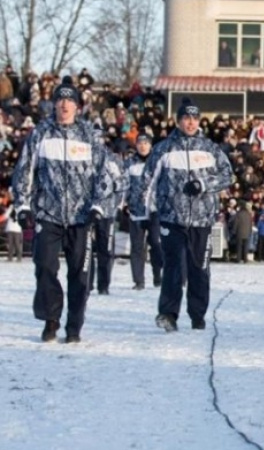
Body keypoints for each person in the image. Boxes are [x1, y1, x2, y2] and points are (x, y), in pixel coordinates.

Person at [12, 75, 116, 343]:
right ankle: (51, 319)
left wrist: (98, 207)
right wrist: (23, 205)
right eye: (60, 99)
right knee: (45, 267)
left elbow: (106, 174)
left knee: (80, 276)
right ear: (53, 104)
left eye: (70, 100)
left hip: (82, 218)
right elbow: (24, 170)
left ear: (78, 106)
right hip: (49, 214)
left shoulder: (90, 137)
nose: (65, 104)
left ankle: (74, 326)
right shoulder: (41, 133)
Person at [132, 97, 233, 332]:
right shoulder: (164, 148)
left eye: (194, 118)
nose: (190, 122)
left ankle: (198, 315)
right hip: (171, 218)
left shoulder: (209, 148)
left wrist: (202, 184)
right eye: (186, 118)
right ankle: (168, 314)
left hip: (202, 219)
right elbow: (147, 181)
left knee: (199, 268)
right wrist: (142, 213)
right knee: (174, 266)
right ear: (178, 121)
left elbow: (227, 175)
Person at [125, 133, 163, 290]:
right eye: (140, 143)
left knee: (156, 243)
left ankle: (157, 275)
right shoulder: (129, 164)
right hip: (136, 211)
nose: (142, 146)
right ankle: (138, 280)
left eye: (146, 143)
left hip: (155, 209)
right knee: (137, 246)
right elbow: (124, 185)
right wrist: (124, 203)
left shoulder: (158, 163)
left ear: (150, 145)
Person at [89, 147, 128, 295]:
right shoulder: (82, 155)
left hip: (107, 212)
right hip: (86, 211)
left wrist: (118, 204)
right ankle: (87, 282)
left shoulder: (112, 160)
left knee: (105, 249)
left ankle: (103, 285)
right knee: (86, 249)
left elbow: (122, 184)